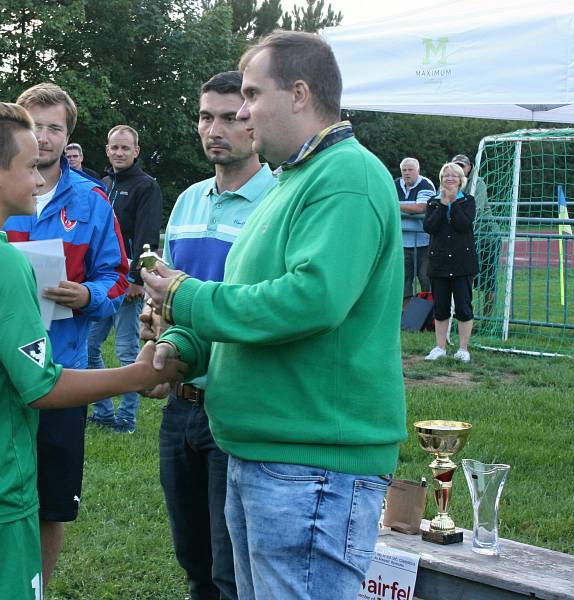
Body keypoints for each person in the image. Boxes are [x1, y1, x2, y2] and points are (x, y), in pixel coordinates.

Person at [141, 31, 406, 600]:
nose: (241, 111)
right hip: (267, 454)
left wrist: (184, 297)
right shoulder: (295, 181)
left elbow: (312, 301)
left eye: (253, 94)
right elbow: (252, 306)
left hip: (311, 466)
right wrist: (183, 348)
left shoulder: (348, 177)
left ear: (300, 94)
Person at [0, 101, 183, 599]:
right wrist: (140, 374)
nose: (41, 181)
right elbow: (40, 386)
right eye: (29, 168)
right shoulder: (0, 262)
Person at [140, 70, 276, 600]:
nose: (214, 129)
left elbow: (266, 310)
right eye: (204, 116)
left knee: (232, 571)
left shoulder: (278, 202)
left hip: (238, 401)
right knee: (194, 561)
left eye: (229, 116)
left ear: (252, 120)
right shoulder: (189, 201)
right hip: (180, 404)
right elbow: (167, 299)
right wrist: (153, 332)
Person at [2, 82, 130, 589]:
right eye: (35, 126)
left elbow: (118, 276)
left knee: (51, 503)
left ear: (68, 135)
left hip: (62, 373)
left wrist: (88, 296)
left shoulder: (93, 201)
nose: (45, 137)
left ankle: (37, 589)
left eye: (55, 127)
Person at [87, 125, 163, 433]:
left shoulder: (146, 186)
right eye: (114, 148)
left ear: (136, 151)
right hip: (104, 282)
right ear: (107, 150)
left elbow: (148, 236)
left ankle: (127, 419)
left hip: (128, 284)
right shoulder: (104, 184)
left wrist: (137, 279)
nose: (119, 153)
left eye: (125, 148)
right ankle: (105, 411)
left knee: (127, 353)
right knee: (90, 347)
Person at [423, 162, 478, 363]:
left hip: (462, 262)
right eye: (445, 175)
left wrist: (453, 203)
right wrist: (443, 205)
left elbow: (463, 224)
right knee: (441, 307)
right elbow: (429, 227)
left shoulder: (468, 201)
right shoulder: (433, 202)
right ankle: (440, 347)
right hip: (439, 263)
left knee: (464, 306)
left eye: (453, 175)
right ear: (441, 179)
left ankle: (463, 349)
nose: (449, 178)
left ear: (460, 180)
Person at [452, 153, 497, 316]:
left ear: (469, 167)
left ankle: (487, 319)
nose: (459, 168)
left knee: (488, 281)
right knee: (462, 279)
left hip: (486, 238)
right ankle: (463, 315)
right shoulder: (448, 182)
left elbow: (473, 212)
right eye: (456, 165)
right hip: (462, 238)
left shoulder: (478, 183)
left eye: (462, 165)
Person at [395, 157, 436, 306]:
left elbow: (421, 207)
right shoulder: (395, 184)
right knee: (404, 279)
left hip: (424, 242)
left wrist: (395, 204)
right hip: (402, 242)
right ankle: (405, 314)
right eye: (404, 170)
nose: (407, 173)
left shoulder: (426, 184)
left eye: (410, 170)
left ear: (418, 170)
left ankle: (429, 313)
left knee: (426, 278)